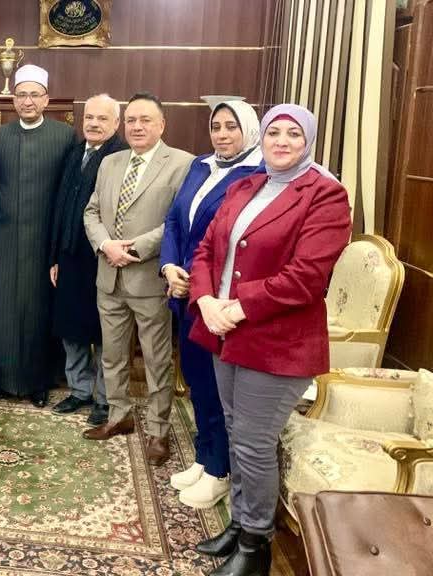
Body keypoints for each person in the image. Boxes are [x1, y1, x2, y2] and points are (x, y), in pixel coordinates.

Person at [187, 104, 351, 576]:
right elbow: (207, 250)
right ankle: (240, 524)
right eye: (273, 132)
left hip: (277, 343)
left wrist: (237, 307)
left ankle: (255, 547)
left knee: (254, 443)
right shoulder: (247, 185)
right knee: (236, 433)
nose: (281, 141)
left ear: (309, 141)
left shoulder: (325, 194)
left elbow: (307, 276)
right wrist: (205, 300)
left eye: (293, 134)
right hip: (225, 332)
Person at [159, 99, 263, 509]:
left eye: (230, 127)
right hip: (184, 291)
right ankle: (204, 458)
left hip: (219, 298)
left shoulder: (258, 173)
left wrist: (195, 280)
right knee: (198, 380)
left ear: (249, 130)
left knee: (219, 388)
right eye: (216, 126)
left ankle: (220, 471)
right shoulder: (201, 165)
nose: (221, 134)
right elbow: (174, 219)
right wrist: (169, 266)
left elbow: (233, 240)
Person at [82, 92, 194, 466]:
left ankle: (159, 430)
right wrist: (106, 245)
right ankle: (119, 416)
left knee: (156, 360)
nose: (137, 126)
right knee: (112, 355)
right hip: (109, 277)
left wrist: (135, 247)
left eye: (145, 120)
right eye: (131, 120)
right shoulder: (110, 162)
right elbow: (92, 211)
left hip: (149, 278)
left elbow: (178, 221)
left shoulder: (182, 164)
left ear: (162, 124)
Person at [0, 64, 75, 407]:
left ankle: (39, 381)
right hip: (5, 238)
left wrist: (59, 247)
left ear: (46, 99)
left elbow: (68, 194)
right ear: (13, 100)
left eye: (35, 95)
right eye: (21, 95)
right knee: (3, 310)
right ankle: (3, 378)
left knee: (39, 311)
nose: (28, 101)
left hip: (44, 241)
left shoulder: (64, 136)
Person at [49, 94, 128, 425]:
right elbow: (60, 206)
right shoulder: (74, 151)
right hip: (69, 256)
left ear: (116, 123)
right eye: (89, 117)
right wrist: (54, 256)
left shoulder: (122, 156)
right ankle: (79, 390)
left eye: (102, 118)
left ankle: (104, 399)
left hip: (102, 257)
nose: (94, 124)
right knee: (71, 328)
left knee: (105, 332)